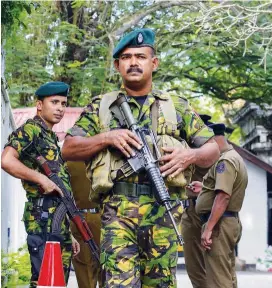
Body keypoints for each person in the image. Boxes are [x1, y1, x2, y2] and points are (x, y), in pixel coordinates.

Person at [62, 28, 219, 287]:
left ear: (154, 63)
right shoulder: (101, 106)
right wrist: (106, 138)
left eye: (140, 56)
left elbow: (212, 150)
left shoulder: (175, 106)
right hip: (118, 213)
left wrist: (188, 156)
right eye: (126, 57)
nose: (133, 62)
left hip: (163, 212)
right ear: (117, 65)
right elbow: (68, 148)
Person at [1, 82, 80, 287]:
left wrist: (67, 233)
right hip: (42, 218)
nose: (60, 108)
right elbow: (7, 160)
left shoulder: (50, 137)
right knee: (44, 281)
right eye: (54, 102)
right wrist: (40, 179)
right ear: (39, 104)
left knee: (58, 282)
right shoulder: (31, 130)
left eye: (63, 103)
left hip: (57, 223)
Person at [192, 123, 248, 288]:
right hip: (225, 222)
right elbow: (223, 189)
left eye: (206, 143)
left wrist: (209, 228)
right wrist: (204, 190)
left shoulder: (226, 161)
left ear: (214, 140)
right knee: (226, 274)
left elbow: (223, 197)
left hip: (219, 225)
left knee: (218, 279)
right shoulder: (232, 157)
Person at [181, 114, 214, 288]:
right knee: (194, 267)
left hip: (209, 212)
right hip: (189, 211)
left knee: (215, 268)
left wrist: (207, 188)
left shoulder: (214, 153)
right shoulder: (183, 150)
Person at [67, 161, 102, 288]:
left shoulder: (68, 157)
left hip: (94, 216)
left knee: (87, 269)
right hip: (81, 218)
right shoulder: (69, 158)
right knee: (100, 267)